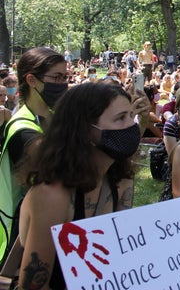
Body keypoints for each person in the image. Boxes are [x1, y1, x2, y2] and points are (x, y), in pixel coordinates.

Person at [16, 82, 148, 289]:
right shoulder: (53, 196)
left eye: (131, 116)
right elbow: (32, 286)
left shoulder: (121, 180)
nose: (131, 125)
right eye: (121, 118)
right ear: (85, 130)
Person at [0, 47, 68, 264]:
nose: (63, 84)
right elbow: (54, 165)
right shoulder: (20, 128)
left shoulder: (57, 116)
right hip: (26, 235)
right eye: (57, 77)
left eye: (66, 77)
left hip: (58, 222)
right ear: (31, 80)